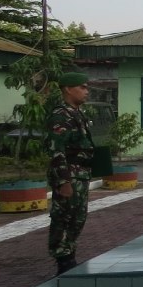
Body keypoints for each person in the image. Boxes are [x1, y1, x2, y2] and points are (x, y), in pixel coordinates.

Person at [46, 71, 95, 275]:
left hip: (80, 174)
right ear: (67, 89)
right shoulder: (61, 115)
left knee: (77, 216)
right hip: (69, 174)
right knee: (64, 216)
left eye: (86, 87)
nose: (86, 91)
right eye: (82, 87)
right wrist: (63, 181)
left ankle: (70, 252)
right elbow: (56, 150)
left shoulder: (77, 113)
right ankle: (62, 258)